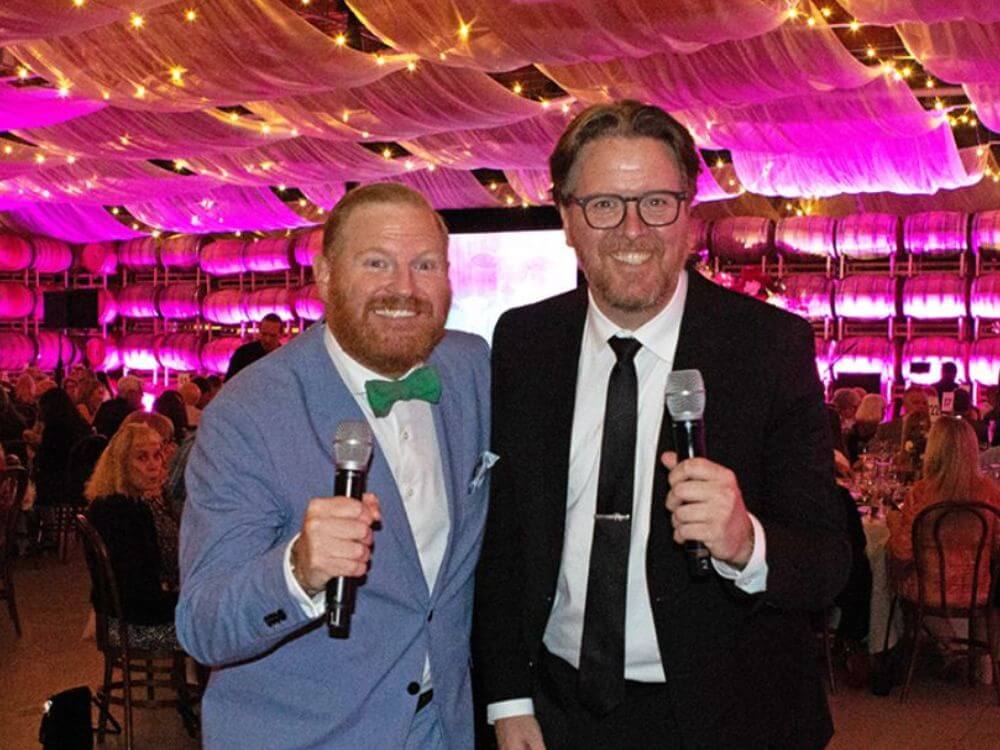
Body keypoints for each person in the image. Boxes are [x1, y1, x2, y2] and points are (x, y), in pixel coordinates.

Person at [474, 101, 849, 750]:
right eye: (603, 204)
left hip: (728, 718)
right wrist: (507, 698)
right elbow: (504, 541)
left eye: (656, 203)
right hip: (556, 713)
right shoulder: (525, 342)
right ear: (567, 218)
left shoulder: (767, 347)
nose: (632, 230)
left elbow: (829, 561)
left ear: (689, 214)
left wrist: (747, 543)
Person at [177, 183, 491, 748]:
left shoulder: (472, 368)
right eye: (376, 263)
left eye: (425, 265)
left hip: (443, 726)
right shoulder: (249, 412)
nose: (404, 288)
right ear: (324, 276)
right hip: (304, 736)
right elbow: (203, 625)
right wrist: (296, 571)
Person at [84, 423, 180, 649]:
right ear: (121, 463)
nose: (153, 465)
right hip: (129, 627)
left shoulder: (127, 503)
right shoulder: (117, 512)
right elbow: (137, 594)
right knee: (219, 629)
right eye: (142, 458)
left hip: (124, 616)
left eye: (157, 455)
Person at [223, 313, 284, 382]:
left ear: (281, 335)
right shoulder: (243, 354)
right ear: (259, 331)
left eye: (272, 336)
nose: (267, 340)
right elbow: (229, 383)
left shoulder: (284, 359)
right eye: (264, 334)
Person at [846, 393, 886, 463]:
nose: (885, 412)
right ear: (875, 409)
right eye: (883, 409)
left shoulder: (855, 427)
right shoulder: (872, 430)